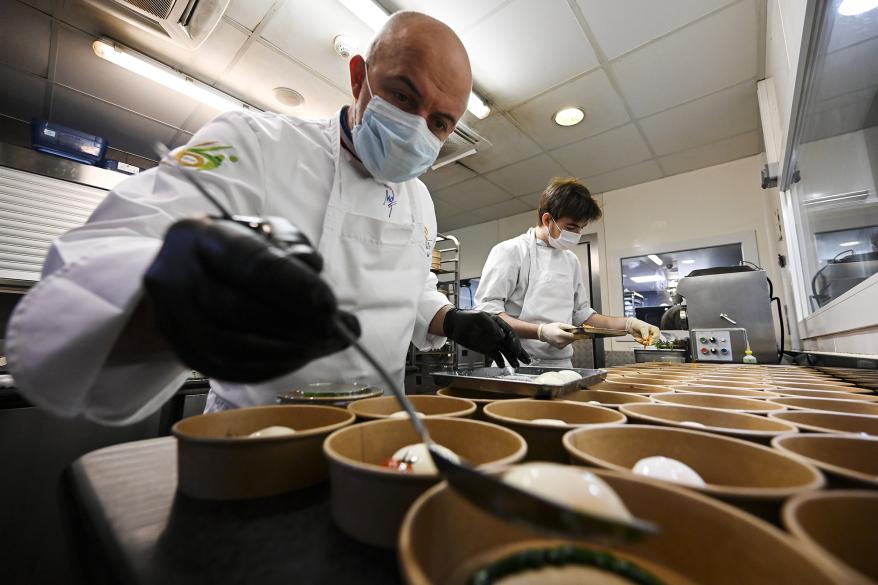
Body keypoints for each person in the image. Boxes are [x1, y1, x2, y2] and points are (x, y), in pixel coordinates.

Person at [6, 11, 528, 424]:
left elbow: (409, 291)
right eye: (401, 95)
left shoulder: (421, 201)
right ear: (357, 77)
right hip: (253, 439)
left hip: (374, 437)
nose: (417, 128)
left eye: (439, 122)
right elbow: (82, 285)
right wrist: (174, 301)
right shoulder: (250, 144)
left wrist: (452, 319)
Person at [474, 178, 660, 368]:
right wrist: (540, 331)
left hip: (562, 365)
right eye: (571, 227)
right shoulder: (511, 251)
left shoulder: (570, 260)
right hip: (518, 364)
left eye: (581, 228)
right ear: (547, 219)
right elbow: (488, 313)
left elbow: (582, 316)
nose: (577, 234)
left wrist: (628, 324)